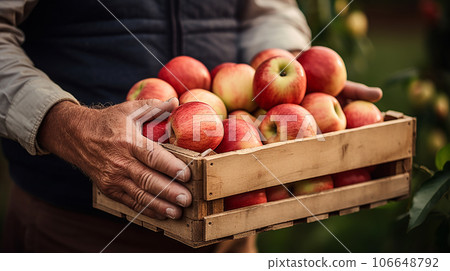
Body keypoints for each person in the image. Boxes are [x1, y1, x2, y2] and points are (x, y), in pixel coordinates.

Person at [0, 0, 382, 252]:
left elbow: (267, 9)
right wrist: (62, 124)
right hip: (75, 231)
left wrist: (295, 74)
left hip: (232, 220)